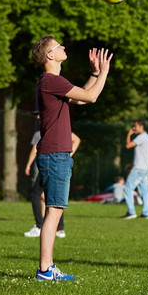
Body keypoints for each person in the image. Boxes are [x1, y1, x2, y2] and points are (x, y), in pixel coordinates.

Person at [31, 35, 112, 281]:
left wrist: (95, 74)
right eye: (58, 46)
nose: (63, 48)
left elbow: (81, 95)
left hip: (57, 154)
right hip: (54, 154)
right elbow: (92, 97)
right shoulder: (50, 81)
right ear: (50, 55)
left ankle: (47, 268)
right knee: (54, 211)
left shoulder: (53, 82)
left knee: (54, 210)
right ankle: (45, 269)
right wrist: (105, 72)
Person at [24, 125, 81, 238]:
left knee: (37, 193)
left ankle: (40, 226)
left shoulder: (46, 129)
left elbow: (34, 150)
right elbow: (77, 140)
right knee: (51, 196)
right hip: (56, 163)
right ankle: (59, 229)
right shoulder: (59, 128)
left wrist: (28, 165)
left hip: (48, 163)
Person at [121, 120, 148, 219]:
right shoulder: (147, 138)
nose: (134, 128)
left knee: (127, 189)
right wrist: (132, 164)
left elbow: (128, 145)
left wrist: (129, 134)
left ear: (141, 126)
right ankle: (146, 213)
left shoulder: (142, 137)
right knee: (144, 191)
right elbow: (143, 155)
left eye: (135, 126)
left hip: (139, 169)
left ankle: (131, 212)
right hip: (145, 168)